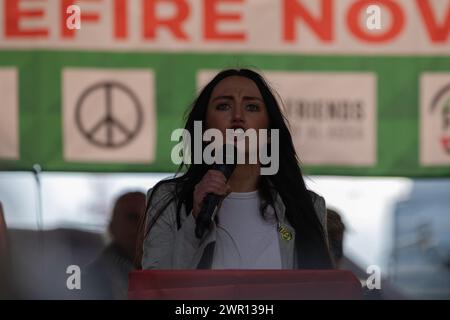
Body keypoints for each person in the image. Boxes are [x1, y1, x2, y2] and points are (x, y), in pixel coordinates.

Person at [140, 69, 333, 270]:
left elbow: (321, 287)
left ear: (269, 133)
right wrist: (195, 219)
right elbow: (157, 288)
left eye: (251, 107)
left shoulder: (306, 205)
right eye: (223, 106)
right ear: (204, 129)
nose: (238, 117)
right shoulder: (169, 200)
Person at [84, 191, 146, 299]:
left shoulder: (167, 266)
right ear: (112, 227)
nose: (143, 225)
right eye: (132, 217)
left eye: (149, 218)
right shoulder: (92, 277)